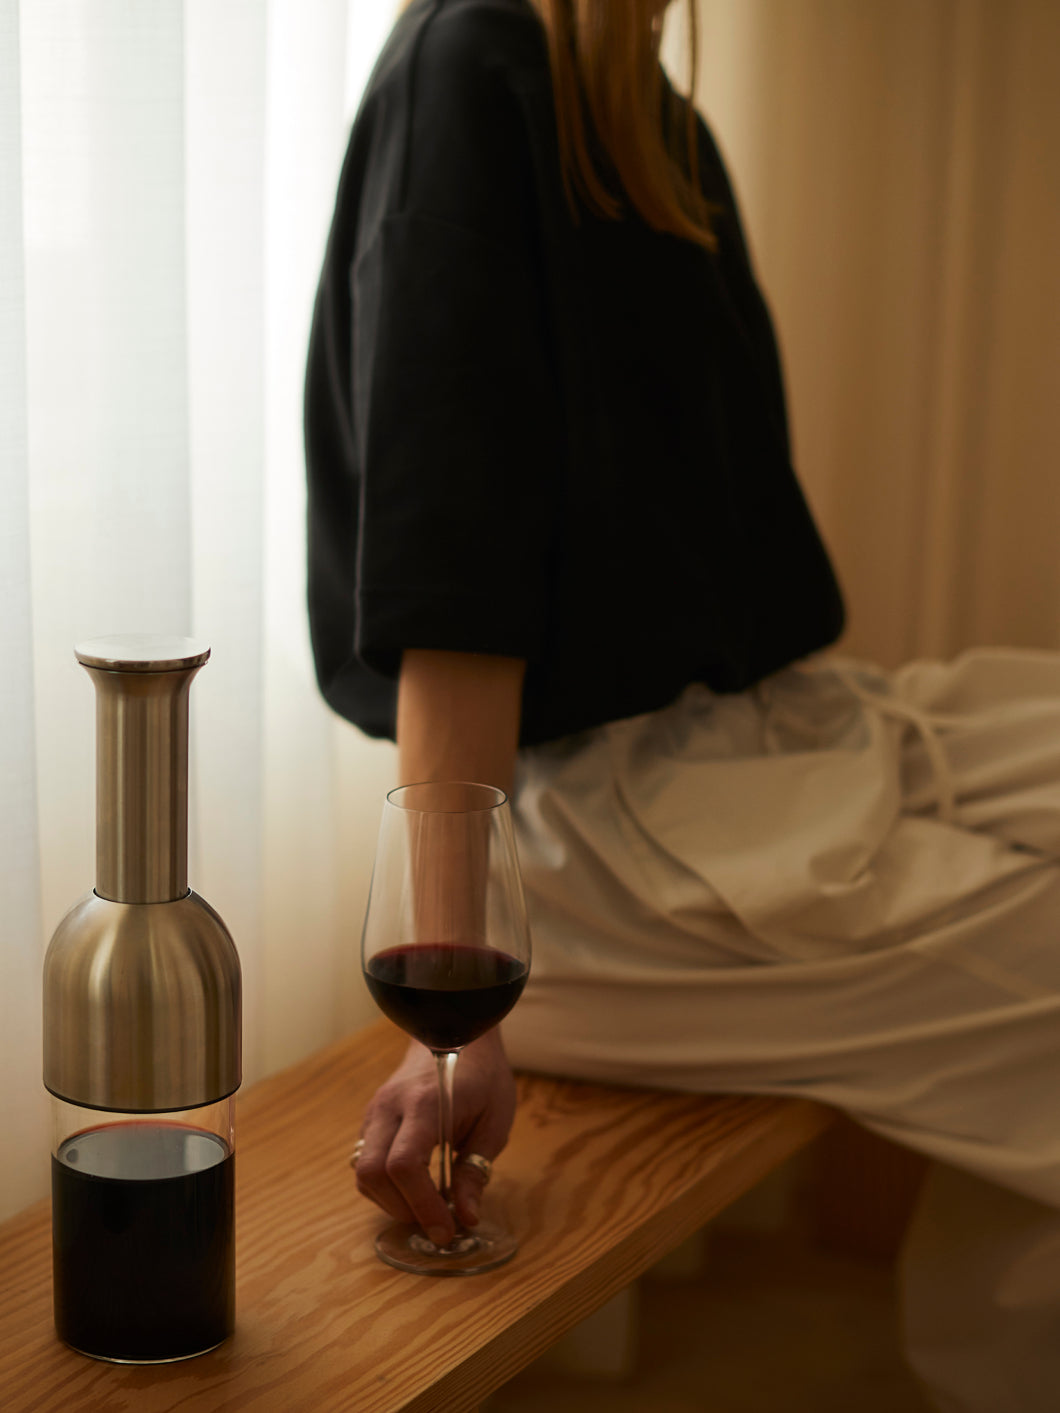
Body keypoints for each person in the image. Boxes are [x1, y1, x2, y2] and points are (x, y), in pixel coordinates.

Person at [304, 1, 1060, 1408]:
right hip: (587, 848)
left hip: (764, 740)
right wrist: (453, 1013)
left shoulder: (650, 123)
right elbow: (452, 609)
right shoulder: (472, 72)